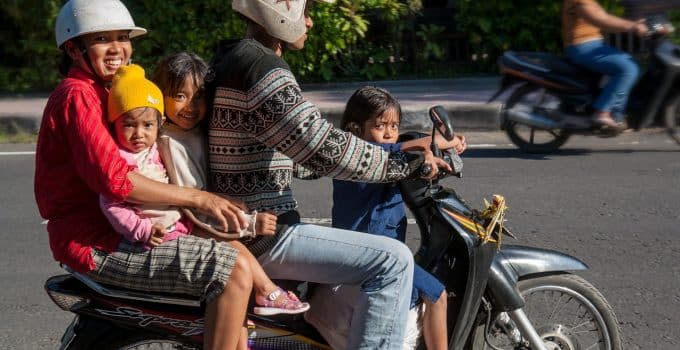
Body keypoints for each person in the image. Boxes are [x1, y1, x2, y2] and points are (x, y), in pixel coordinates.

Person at [208, 1, 452, 349]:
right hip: (264, 234)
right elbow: (322, 147)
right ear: (279, 10)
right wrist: (407, 165)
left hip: (247, 225)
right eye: (303, 11)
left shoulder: (235, 59)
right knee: (393, 260)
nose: (308, 21)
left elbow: (293, 155)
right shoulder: (262, 69)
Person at [34, 1, 248, 349]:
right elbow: (117, 181)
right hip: (97, 242)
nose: (118, 48)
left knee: (238, 252)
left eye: (123, 37)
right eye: (103, 38)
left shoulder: (105, 90)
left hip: (124, 231)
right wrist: (201, 198)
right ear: (74, 49)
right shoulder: (77, 96)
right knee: (230, 268)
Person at [102, 63, 310, 317]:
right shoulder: (168, 143)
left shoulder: (183, 136)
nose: (190, 105)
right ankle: (266, 290)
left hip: (182, 221)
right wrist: (250, 224)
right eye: (180, 96)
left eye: (198, 96)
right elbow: (193, 203)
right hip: (182, 226)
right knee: (234, 255)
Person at [332, 86, 466, 350]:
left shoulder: (379, 153)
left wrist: (431, 147)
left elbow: (404, 143)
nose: (389, 132)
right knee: (437, 294)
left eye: (394, 125)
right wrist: (449, 142)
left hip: (372, 253)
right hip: (375, 256)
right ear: (355, 128)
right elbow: (402, 146)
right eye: (380, 125)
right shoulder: (363, 157)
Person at [562, 0, 649, 133]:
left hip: (594, 44)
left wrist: (643, 24)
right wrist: (632, 26)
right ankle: (602, 113)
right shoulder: (580, 1)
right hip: (582, 46)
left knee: (631, 64)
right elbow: (600, 20)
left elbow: (606, 19)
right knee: (628, 69)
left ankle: (616, 115)